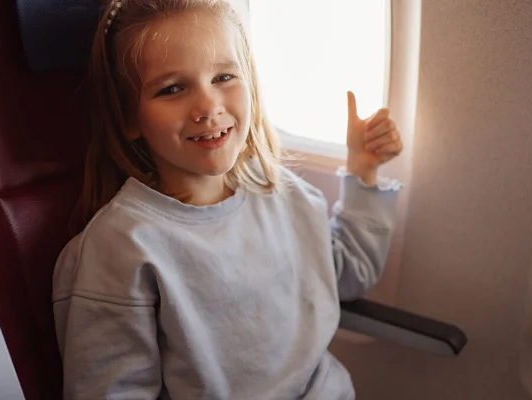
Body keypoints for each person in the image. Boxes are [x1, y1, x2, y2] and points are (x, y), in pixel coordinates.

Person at [52, 0, 404, 399]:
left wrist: (364, 168)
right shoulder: (123, 245)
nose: (208, 106)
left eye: (223, 77)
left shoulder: (280, 191)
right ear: (129, 117)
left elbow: (347, 273)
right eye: (172, 88)